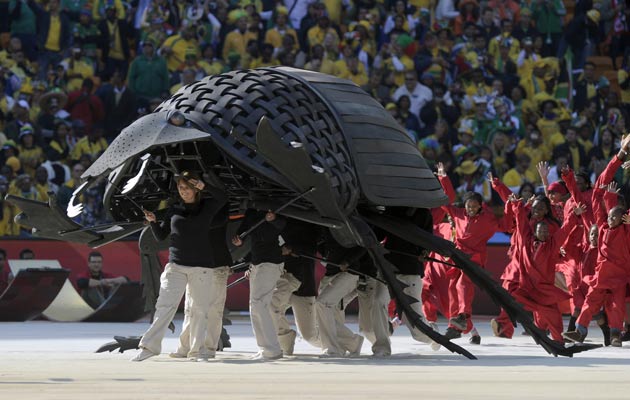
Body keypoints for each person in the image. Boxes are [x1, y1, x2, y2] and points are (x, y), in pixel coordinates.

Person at [132, 171, 227, 362]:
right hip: (176, 265)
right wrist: (153, 223)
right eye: (181, 188)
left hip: (202, 267)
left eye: (187, 188)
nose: (183, 191)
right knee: (165, 306)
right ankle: (149, 347)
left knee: (199, 310)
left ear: (195, 189)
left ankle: (196, 352)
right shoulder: (173, 209)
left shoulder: (207, 206)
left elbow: (224, 197)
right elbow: (161, 236)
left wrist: (203, 185)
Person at [563, 137, 630, 347]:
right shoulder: (601, 225)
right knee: (590, 301)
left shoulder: (627, 229)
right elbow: (599, 187)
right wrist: (619, 156)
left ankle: (617, 334)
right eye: (609, 215)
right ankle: (580, 331)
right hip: (601, 274)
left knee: (616, 305)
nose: (610, 219)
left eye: (615, 216)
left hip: (619, 276)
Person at [232, 208, 286, 360]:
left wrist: (274, 219)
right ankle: (265, 348)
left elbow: (284, 225)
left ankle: (272, 349)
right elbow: (243, 230)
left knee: (259, 304)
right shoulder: (252, 212)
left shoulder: (278, 208)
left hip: (271, 262)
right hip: (256, 263)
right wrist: (239, 240)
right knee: (255, 306)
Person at [273, 219, 321, 355]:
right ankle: (285, 342)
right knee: (271, 307)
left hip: (303, 285)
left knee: (310, 336)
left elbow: (311, 249)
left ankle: (345, 343)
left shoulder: (310, 226)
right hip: (284, 280)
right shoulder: (277, 226)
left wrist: (293, 249)